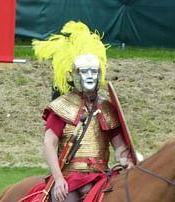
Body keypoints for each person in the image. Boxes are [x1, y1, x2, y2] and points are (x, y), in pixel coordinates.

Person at [32, 21, 135, 202]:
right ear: (75, 75)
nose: (89, 76)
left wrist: (127, 160)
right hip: (70, 177)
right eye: (84, 71)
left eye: (93, 72)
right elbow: (50, 144)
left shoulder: (107, 108)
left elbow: (119, 146)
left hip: (101, 176)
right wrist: (58, 178)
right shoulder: (61, 107)